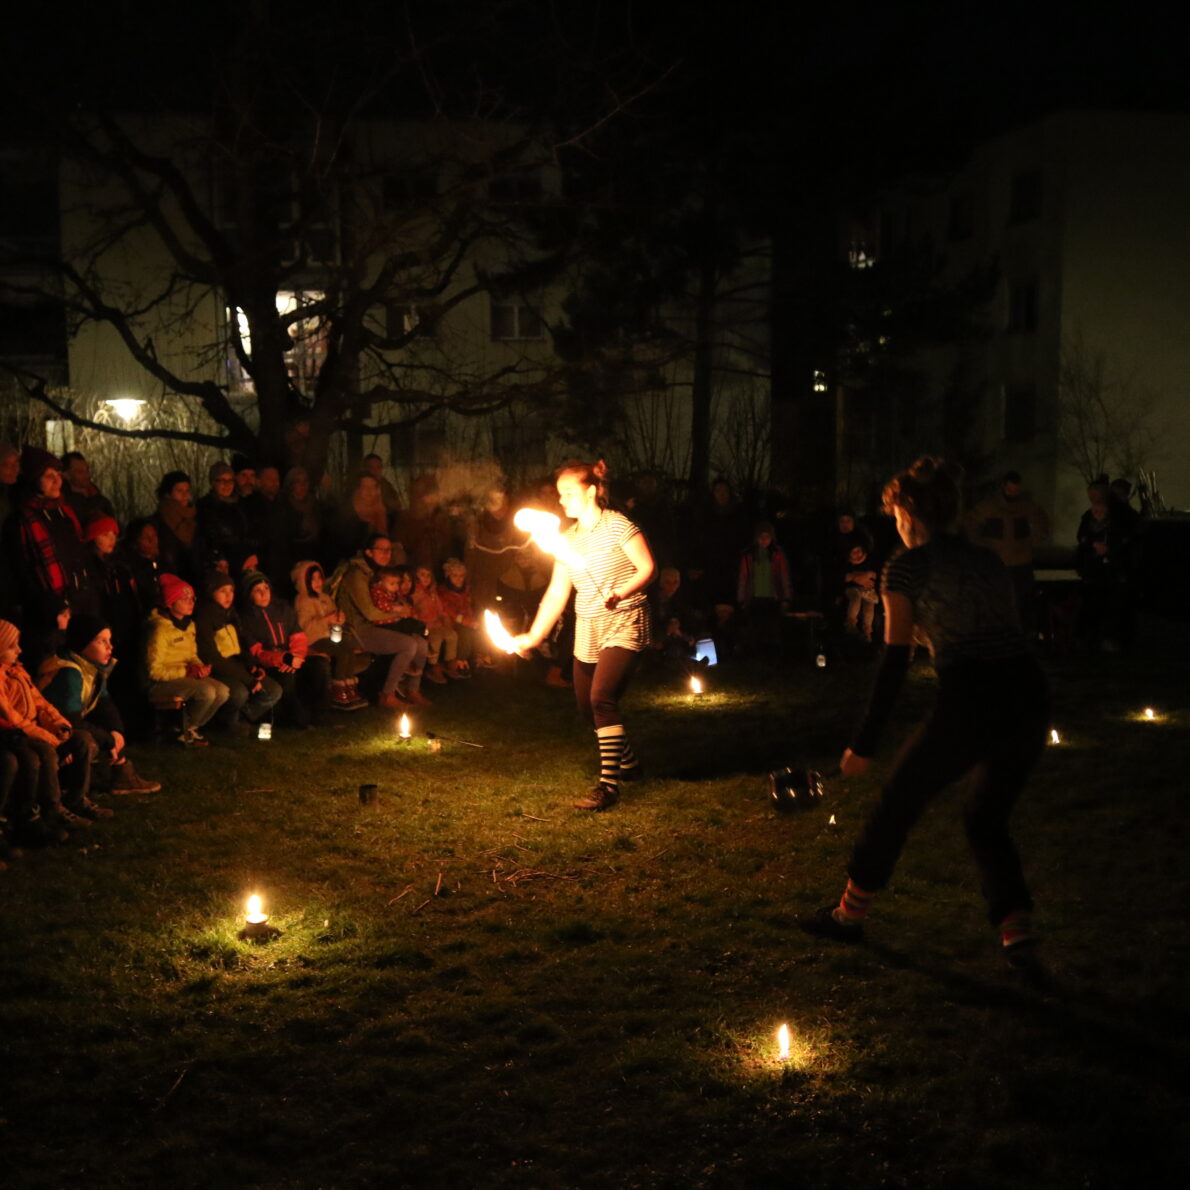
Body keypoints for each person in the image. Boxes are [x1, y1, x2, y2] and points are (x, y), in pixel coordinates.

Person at [801, 457, 1050, 981]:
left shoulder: (907, 566)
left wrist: (863, 744)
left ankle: (848, 916)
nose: (895, 525)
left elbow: (895, 660)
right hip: (1028, 693)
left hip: (972, 695)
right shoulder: (986, 559)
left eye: (895, 515)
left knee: (897, 803)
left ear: (909, 513)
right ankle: (1019, 936)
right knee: (986, 816)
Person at [513, 459, 655, 811]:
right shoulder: (566, 540)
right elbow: (556, 594)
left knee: (601, 698)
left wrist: (620, 592)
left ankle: (608, 786)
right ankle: (630, 764)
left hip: (624, 620)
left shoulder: (618, 525)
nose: (561, 500)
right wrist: (533, 636)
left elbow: (648, 568)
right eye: (559, 494)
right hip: (588, 627)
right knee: (586, 708)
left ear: (591, 491)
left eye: (568, 493)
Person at [39, 611, 161, 793]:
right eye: (101, 641)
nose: (110, 647)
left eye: (109, 640)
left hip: (65, 727)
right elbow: (70, 720)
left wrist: (116, 730)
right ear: (83, 643)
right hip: (48, 731)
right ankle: (69, 788)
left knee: (107, 732)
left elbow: (104, 703)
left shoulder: (90, 667)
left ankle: (122, 775)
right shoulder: (67, 672)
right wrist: (108, 740)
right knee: (89, 742)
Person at [0, 617, 101, 836]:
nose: (19, 650)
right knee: (44, 751)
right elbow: (12, 718)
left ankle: (76, 798)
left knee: (81, 739)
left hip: (32, 729)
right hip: (15, 733)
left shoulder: (17, 671)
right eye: (12, 646)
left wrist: (59, 725)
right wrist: (48, 737)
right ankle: (51, 808)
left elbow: (40, 704)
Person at [335, 534, 430, 709]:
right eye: (381, 550)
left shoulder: (378, 573)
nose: (386, 554)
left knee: (421, 643)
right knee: (408, 644)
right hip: (356, 630)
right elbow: (370, 613)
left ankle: (412, 690)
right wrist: (399, 615)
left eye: (389, 550)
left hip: (379, 625)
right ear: (369, 552)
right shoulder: (357, 575)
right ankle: (387, 694)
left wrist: (401, 610)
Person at [143, 574, 231, 746]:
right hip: (162, 681)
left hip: (184, 675)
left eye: (192, 599)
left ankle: (189, 728)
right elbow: (154, 671)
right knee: (206, 692)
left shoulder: (189, 625)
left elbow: (191, 654)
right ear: (170, 603)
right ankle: (180, 730)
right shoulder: (160, 630)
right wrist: (187, 671)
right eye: (184, 599)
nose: (191, 603)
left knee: (223, 691)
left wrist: (199, 666)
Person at [237, 570, 329, 728]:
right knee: (286, 677)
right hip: (270, 664)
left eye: (266, 588)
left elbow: (298, 636)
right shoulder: (245, 619)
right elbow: (257, 652)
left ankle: (320, 714)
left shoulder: (282, 609)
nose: (263, 593)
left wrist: (295, 656)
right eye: (257, 590)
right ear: (249, 594)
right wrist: (283, 658)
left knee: (319, 665)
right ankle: (297, 719)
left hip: (292, 657)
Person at [195, 572, 283, 733]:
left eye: (231, 590)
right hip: (219, 669)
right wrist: (248, 679)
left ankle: (239, 719)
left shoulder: (230, 613)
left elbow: (240, 644)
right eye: (223, 591)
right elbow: (212, 657)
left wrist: (252, 665)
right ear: (211, 592)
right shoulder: (204, 617)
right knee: (239, 693)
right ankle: (224, 723)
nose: (229, 595)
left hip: (237, 665)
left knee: (273, 690)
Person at [964, 470, 1049, 632]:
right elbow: (971, 523)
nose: (1013, 493)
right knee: (996, 602)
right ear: (1004, 487)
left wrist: (1032, 541)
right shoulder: (989, 506)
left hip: (1021, 564)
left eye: (1016, 490)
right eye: (1010, 489)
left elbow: (1041, 521)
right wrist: (982, 545)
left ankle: (1021, 633)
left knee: (1021, 602)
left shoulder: (1026, 506)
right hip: (997, 563)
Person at [291, 560, 369, 710]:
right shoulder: (302, 601)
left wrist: (338, 620)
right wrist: (326, 620)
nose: (318, 582)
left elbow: (333, 617)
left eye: (319, 578)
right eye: (312, 579)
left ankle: (349, 686)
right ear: (304, 581)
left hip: (329, 637)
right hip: (313, 640)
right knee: (342, 652)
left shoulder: (325, 598)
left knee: (348, 648)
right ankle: (338, 689)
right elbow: (304, 627)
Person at [411, 564, 462, 682]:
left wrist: (444, 618)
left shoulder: (432, 593)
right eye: (422, 575)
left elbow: (440, 609)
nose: (426, 578)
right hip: (424, 626)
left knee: (452, 635)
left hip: (436, 623)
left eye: (428, 575)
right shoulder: (415, 593)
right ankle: (432, 666)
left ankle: (449, 662)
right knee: (436, 638)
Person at [153, 470, 198, 581]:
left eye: (187, 490)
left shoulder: (196, 517)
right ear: (168, 494)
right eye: (179, 491)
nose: (185, 495)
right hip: (172, 579)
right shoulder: (158, 522)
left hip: (195, 577)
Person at [61, 451, 116, 526]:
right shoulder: (62, 503)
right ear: (66, 475)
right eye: (80, 472)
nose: (87, 475)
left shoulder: (99, 499)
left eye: (87, 470)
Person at [843, 541, 880, 642]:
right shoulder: (848, 564)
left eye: (858, 551)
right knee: (856, 599)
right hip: (853, 589)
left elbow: (874, 574)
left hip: (868, 590)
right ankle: (851, 625)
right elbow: (846, 577)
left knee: (869, 606)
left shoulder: (869, 562)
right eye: (854, 552)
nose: (857, 554)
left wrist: (868, 575)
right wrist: (856, 577)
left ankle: (867, 630)